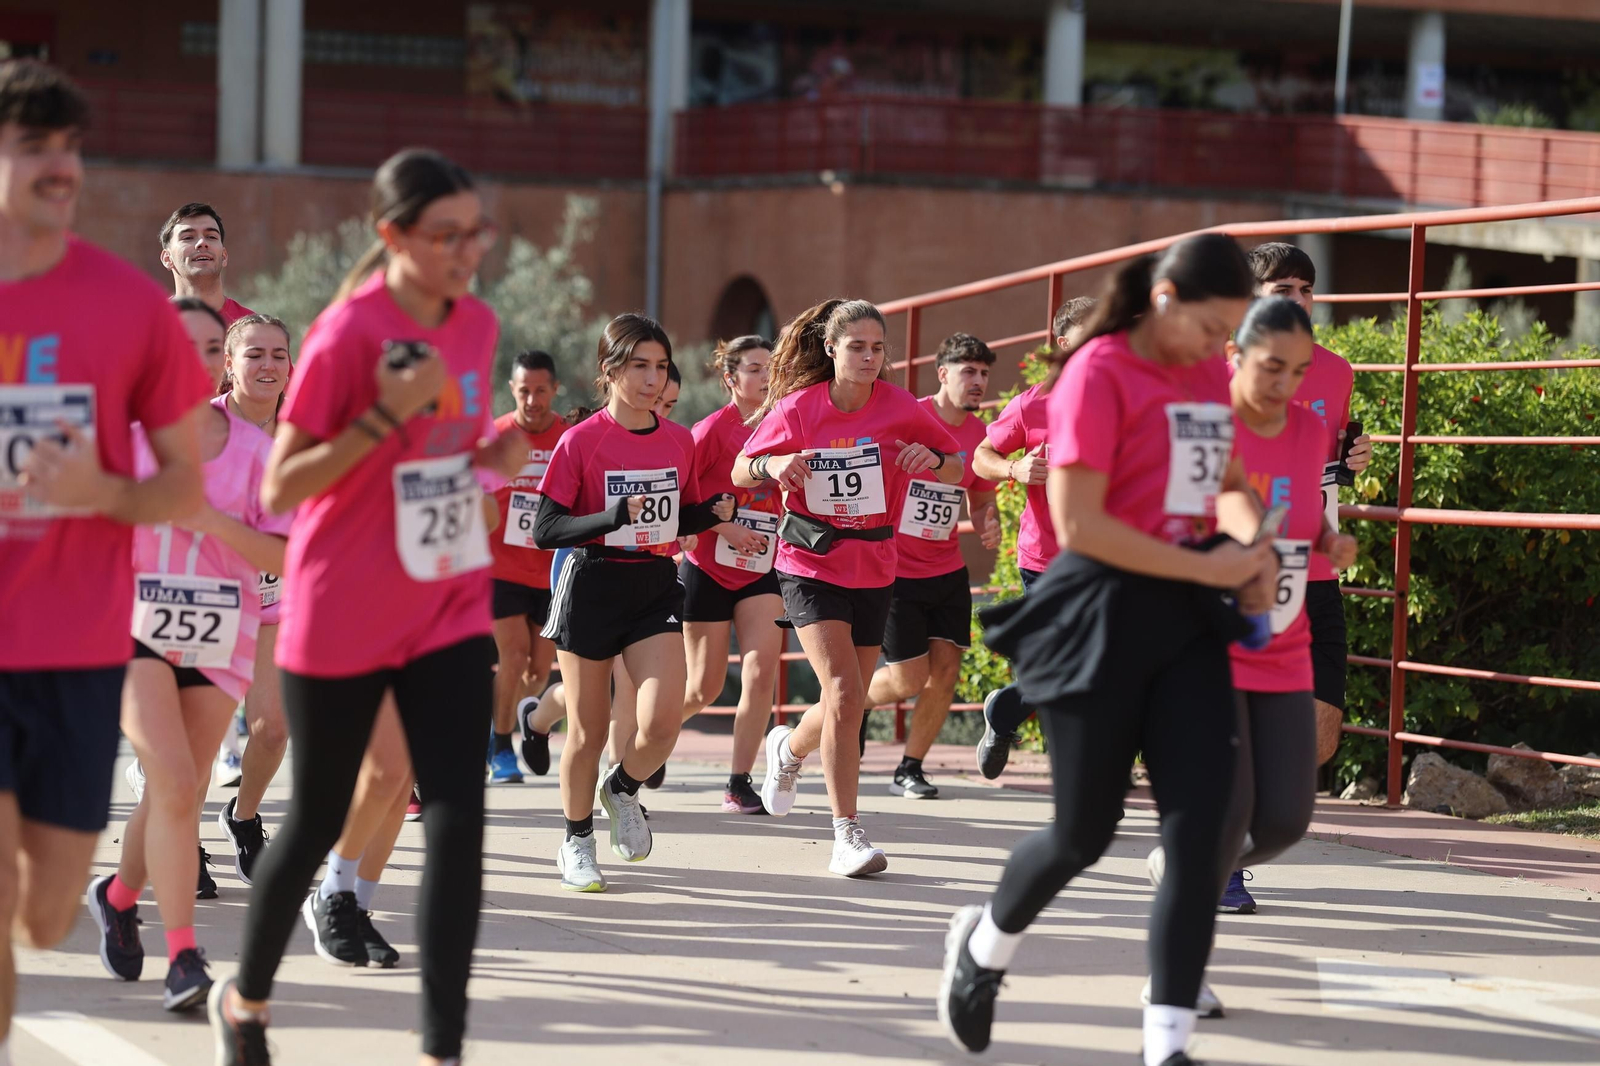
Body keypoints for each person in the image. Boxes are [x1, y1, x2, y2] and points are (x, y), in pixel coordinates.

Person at [207, 147, 521, 1066]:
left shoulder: (478, 323)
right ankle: (248, 1001)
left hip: (446, 595)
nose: (469, 252)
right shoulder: (348, 334)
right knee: (313, 819)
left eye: (478, 233)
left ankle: (441, 1046)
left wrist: (489, 456)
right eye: (448, 236)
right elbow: (289, 479)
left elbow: (443, 452)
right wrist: (384, 414)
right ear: (394, 236)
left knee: (458, 817)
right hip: (340, 602)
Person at [937, 234, 1277, 1066]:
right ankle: (983, 950)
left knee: (1201, 837)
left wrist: (1252, 544)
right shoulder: (1094, 372)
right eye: (1211, 327)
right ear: (1164, 302)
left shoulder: (1202, 374)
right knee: (1083, 831)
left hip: (1191, 621)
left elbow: (1228, 487)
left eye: (1230, 334)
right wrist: (1217, 560)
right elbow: (1083, 526)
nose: (1216, 350)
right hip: (1100, 615)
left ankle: (1167, 1047)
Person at [0, 59, 210, 1057]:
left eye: (70, 145)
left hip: (79, 643)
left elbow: (182, 484)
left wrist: (102, 494)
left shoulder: (128, 306)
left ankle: (70, 900)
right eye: (33, 143)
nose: (60, 166)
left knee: (40, 913)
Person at [1141, 296, 1360, 1019]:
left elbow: (1303, 521)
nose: (1286, 385)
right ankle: (1175, 982)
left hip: (1283, 636)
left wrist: (1330, 544)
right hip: (1204, 638)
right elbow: (1216, 507)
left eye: (1299, 372)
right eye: (1272, 367)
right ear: (1233, 355)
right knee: (1220, 809)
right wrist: (1246, 541)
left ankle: (1183, 870)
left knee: (1286, 819)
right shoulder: (1204, 422)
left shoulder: (1308, 428)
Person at [88, 297, 289, 1012]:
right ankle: (183, 955)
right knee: (172, 773)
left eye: (209, 347)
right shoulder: (123, 441)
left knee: (185, 784)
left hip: (221, 633)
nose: (195, 359)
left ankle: (116, 895)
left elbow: (287, 555)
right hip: (132, 628)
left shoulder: (258, 450)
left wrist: (211, 521)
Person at [736, 299, 963, 877]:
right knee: (842, 692)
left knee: (851, 698)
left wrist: (930, 458)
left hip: (876, 565)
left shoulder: (899, 406)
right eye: (857, 346)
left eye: (878, 348)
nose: (868, 357)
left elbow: (957, 466)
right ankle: (847, 834)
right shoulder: (798, 409)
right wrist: (775, 465)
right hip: (809, 562)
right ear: (832, 349)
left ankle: (788, 748)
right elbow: (742, 468)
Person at [532, 314, 733, 893]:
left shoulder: (678, 440)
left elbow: (680, 515)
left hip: (651, 586)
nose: (652, 379)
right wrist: (609, 519)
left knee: (662, 721)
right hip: (590, 585)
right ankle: (576, 841)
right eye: (639, 366)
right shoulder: (581, 440)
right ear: (610, 371)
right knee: (588, 731)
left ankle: (621, 789)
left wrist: (712, 511)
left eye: (661, 367)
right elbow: (547, 528)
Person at [1238, 242, 1373, 913]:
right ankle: (1217, 851)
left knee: (1317, 736)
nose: (1294, 297)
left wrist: (1352, 461)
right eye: (1279, 287)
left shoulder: (1337, 372)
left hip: (1311, 569)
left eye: (1304, 287)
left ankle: (1216, 840)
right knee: (1239, 720)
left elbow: (1325, 464)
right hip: (1236, 572)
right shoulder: (1216, 372)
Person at [866, 332, 1001, 798]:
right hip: (896, 568)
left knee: (946, 671)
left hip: (946, 569)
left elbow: (980, 496)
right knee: (907, 679)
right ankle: (855, 703)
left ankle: (911, 766)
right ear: (943, 374)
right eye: (969, 371)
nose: (978, 381)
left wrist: (988, 522)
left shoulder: (979, 435)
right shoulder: (909, 415)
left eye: (984, 373)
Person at [970, 296, 1095, 778]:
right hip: (1048, 559)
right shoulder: (1032, 404)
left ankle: (1009, 710)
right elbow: (982, 456)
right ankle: (1011, 715)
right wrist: (1015, 468)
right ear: (1064, 344)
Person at [676, 336, 784, 813]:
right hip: (708, 565)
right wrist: (726, 526)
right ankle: (648, 739)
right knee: (704, 687)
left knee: (761, 672)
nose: (765, 377)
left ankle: (739, 782)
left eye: (771, 368)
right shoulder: (709, 431)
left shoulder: (787, 423)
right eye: (756, 369)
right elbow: (679, 501)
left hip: (764, 564)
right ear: (731, 379)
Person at [214, 313, 293, 885]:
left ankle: (243, 817)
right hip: (208, 601)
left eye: (278, 355)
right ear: (229, 364)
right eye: (254, 355)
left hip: (274, 602)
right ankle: (180, 843)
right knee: (196, 743)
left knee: (272, 729)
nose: (267, 365)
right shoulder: (203, 428)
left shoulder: (301, 438)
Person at [486, 350, 567, 784]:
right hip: (500, 568)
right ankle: (500, 745)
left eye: (540, 391)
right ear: (512, 391)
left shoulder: (569, 437)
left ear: (554, 390)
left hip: (552, 573)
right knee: (513, 656)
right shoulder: (496, 437)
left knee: (539, 669)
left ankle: (502, 727)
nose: (532, 400)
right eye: (523, 391)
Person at [159, 201, 254, 325]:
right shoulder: (151, 325)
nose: (202, 243)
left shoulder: (252, 328)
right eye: (188, 237)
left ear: (224, 256)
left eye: (211, 236)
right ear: (167, 259)